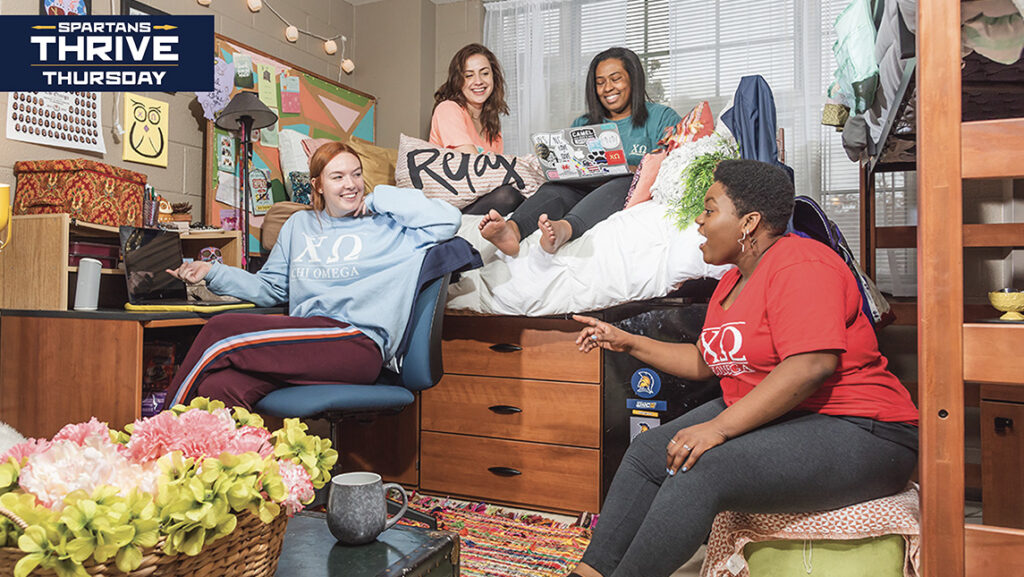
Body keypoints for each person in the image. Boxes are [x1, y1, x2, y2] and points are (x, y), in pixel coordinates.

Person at [568, 159, 919, 577]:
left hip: (862, 428)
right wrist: (627, 341)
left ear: (749, 222)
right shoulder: (730, 285)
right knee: (648, 452)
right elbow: (705, 363)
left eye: (710, 209)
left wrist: (717, 429)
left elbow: (811, 364)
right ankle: (588, 572)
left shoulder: (802, 263)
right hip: (792, 416)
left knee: (698, 466)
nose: (699, 221)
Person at [162, 141, 461, 411]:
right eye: (338, 177)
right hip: (306, 340)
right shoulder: (299, 225)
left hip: (356, 344)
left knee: (221, 330)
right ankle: (226, 469)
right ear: (317, 185)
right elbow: (271, 287)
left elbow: (449, 219)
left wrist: (379, 197)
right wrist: (213, 271)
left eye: (356, 175)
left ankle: (156, 439)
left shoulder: (391, 226)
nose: (351, 185)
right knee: (220, 389)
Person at [479, 46, 681, 257]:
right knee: (554, 187)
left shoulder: (662, 117)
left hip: (623, 189)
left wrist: (628, 168)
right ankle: (512, 230)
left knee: (622, 180)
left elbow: (674, 165)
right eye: (600, 82)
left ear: (633, 79)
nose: (608, 88)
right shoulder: (583, 123)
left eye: (616, 79)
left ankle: (565, 229)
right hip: (584, 188)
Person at [430, 43, 524, 216]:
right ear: (458, 81)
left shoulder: (492, 125)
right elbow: (474, 167)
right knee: (509, 196)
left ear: (494, 77)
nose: (478, 81)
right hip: (450, 203)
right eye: (469, 75)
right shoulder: (448, 109)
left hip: (478, 197)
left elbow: (495, 175)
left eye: (485, 73)